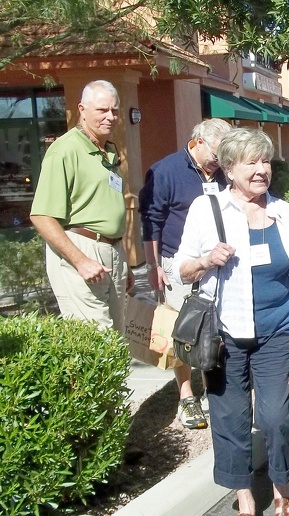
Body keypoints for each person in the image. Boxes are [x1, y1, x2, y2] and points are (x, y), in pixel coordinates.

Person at [172, 127, 289, 516]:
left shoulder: (287, 214)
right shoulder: (207, 209)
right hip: (224, 336)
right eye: (251, 162)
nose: (262, 170)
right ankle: (246, 502)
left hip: (277, 331)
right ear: (229, 168)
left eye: (265, 161)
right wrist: (207, 260)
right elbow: (181, 269)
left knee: (277, 418)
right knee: (229, 420)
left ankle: (283, 490)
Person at [139, 118, 232, 430]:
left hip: (217, 263)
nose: (221, 161)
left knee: (214, 327)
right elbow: (151, 221)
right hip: (177, 263)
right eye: (218, 154)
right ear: (199, 142)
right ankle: (186, 396)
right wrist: (153, 267)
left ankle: (213, 387)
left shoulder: (222, 172)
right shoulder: (166, 171)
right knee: (183, 329)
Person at [30, 80, 133, 331]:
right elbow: (41, 216)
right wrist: (81, 260)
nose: (110, 117)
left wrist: (123, 261)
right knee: (97, 340)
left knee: (117, 342)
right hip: (82, 248)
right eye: (102, 110)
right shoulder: (64, 150)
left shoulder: (108, 151)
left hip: (113, 250)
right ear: (82, 110)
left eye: (115, 110)